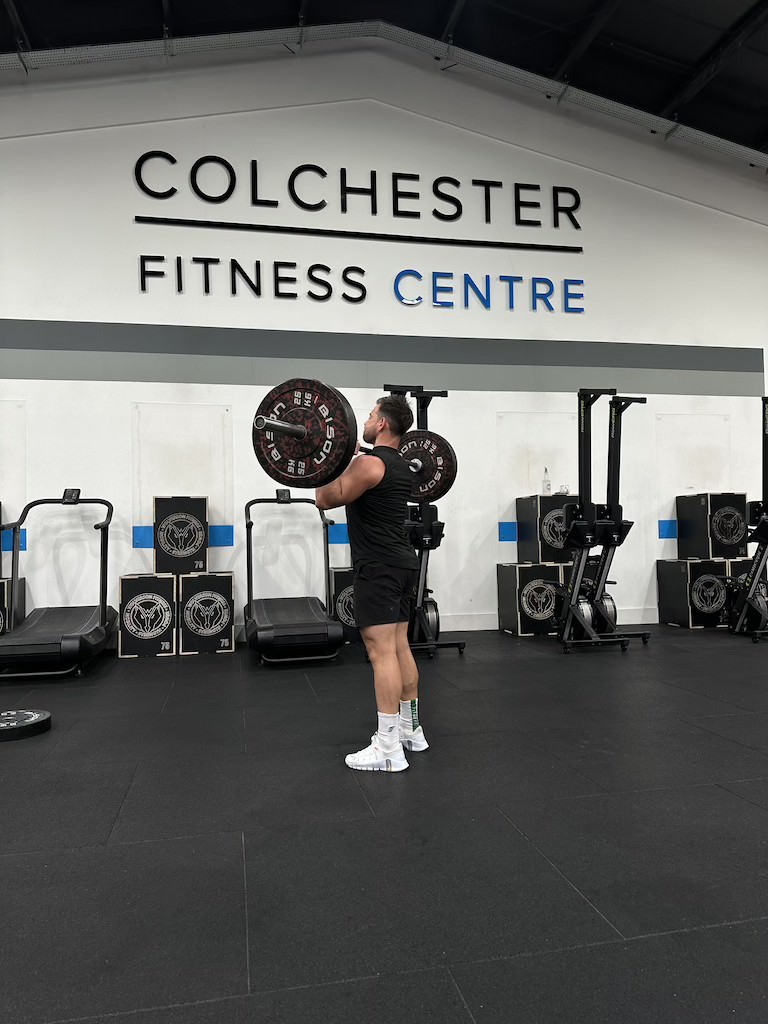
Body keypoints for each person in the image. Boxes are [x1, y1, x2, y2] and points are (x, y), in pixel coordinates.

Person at [315, 395, 428, 772]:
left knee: (380, 654)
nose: (365, 420)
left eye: (369, 415)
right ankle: (411, 730)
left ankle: (387, 747)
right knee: (398, 647)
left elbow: (325, 499)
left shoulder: (369, 464)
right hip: (402, 564)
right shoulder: (398, 466)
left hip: (377, 567)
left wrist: (325, 462)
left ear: (381, 424)